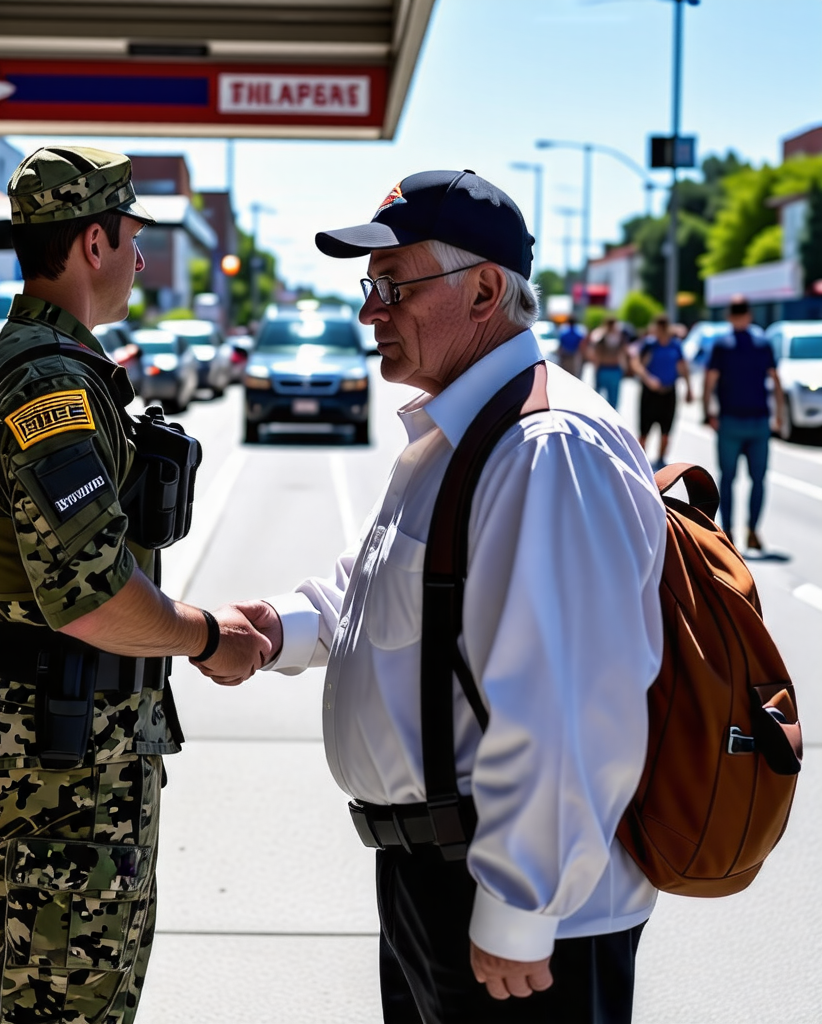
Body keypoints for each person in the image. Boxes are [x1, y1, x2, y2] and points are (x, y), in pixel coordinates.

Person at [196, 170, 667, 1023]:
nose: (371, 311)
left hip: (512, 911)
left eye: (394, 286)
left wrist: (520, 911)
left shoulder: (545, 447)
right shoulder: (462, 430)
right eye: (369, 287)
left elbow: (567, 705)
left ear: (485, 289)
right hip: (437, 879)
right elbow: (390, 594)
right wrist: (280, 628)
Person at [0, 145, 271, 1024]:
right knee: (71, 1007)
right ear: (91, 244)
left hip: (34, 734)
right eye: (131, 238)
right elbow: (92, 595)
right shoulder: (50, 385)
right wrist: (206, 637)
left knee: (27, 995)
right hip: (68, 753)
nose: (141, 258)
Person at [702, 296, 784, 551]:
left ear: (729, 316)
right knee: (758, 478)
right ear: (749, 316)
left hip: (730, 420)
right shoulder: (763, 344)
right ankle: (752, 529)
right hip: (759, 420)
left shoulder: (721, 345)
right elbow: (775, 380)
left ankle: (728, 531)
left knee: (727, 478)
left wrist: (708, 412)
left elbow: (709, 381)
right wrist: (779, 414)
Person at [633, 313, 693, 470]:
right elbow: (636, 364)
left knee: (666, 430)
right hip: (650, 393)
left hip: (669, 392)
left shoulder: (675, 345)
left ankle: (660, 458)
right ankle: (641, 462)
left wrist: (689, 388)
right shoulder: (649, 345)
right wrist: (648, 379)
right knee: (644, 430)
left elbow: (682, 366)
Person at [585, 315, 629, 408]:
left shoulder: (610, 336)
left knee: (604, 397)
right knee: (610, 398)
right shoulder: (604, 336)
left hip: (608, 368)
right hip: (609, 368)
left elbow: (594, 353)